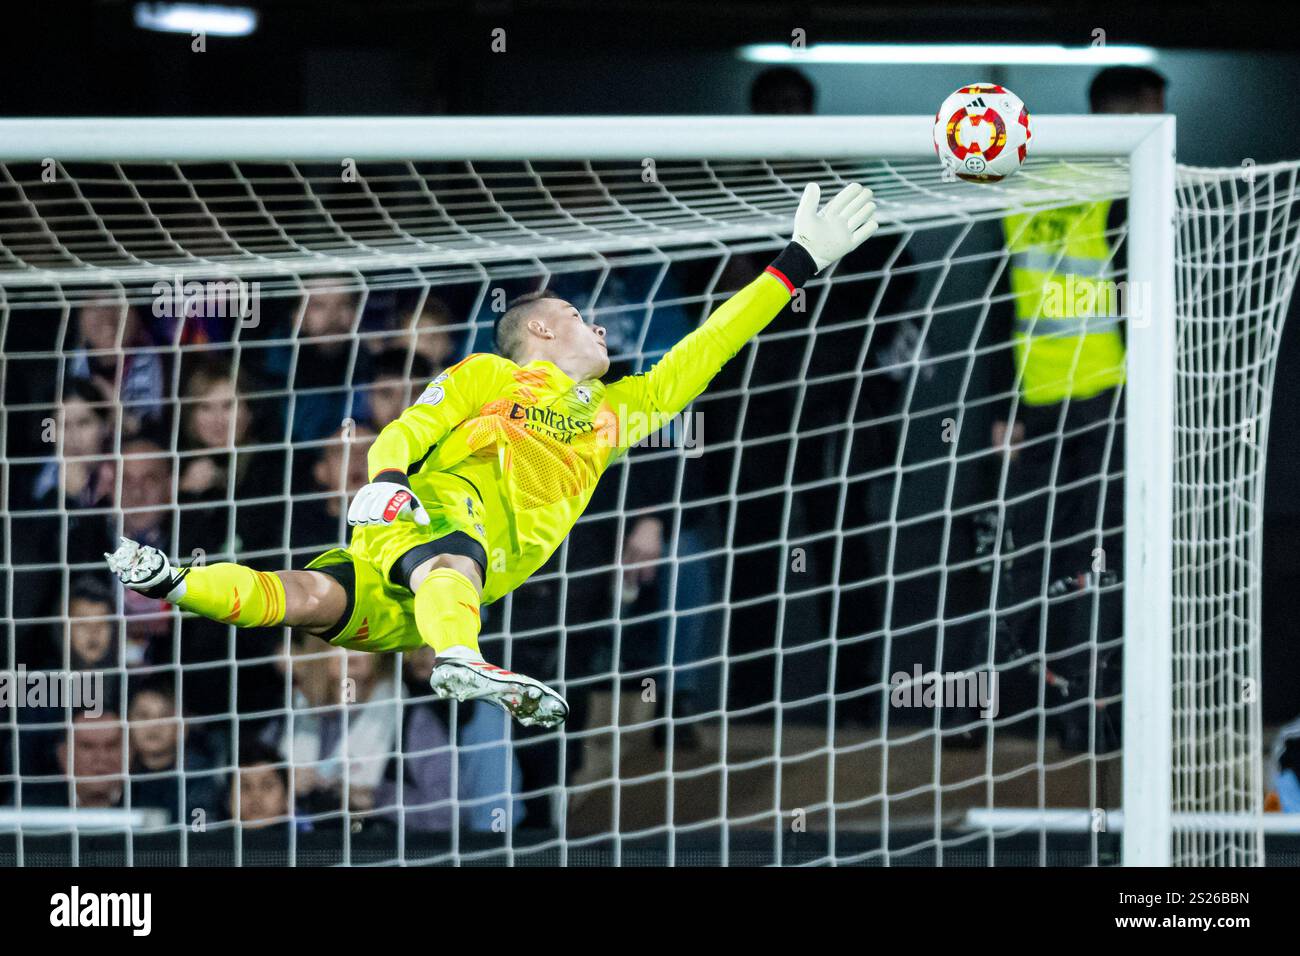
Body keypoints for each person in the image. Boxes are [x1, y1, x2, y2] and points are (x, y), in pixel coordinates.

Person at [104, 182, 879, 729]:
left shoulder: (619, 411)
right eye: (580, 316)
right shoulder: (490, 373)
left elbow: (711, 345)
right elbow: (408, 428)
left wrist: (798, 261)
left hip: (441, 604)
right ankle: (466, 659)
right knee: (443, 560)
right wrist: (383, 482)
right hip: (418, 523)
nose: (601, 329)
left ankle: (175, 580)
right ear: (539, 331)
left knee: (308, 598)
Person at [988, 66, 1166, 749]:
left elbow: (996, 303)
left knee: (1030, 559)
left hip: (1038, 404)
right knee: (1098, 561)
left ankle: (997, 708)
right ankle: (1084, 714)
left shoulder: (1028, 183)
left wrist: (999, 407)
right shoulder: (1126, 189)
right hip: (1103, 403)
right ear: (1139, 110)